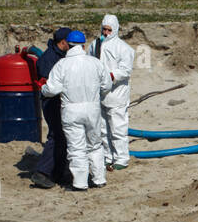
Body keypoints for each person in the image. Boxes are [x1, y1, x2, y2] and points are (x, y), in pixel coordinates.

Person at [39, 29, 107, 191]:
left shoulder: (62, 65)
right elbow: (106, 85)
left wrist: (43, 89)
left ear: (68, 45)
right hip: (93, 109)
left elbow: (52, 89)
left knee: (77, 148)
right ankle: (99, 179)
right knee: (95, 145)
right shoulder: (95, 63)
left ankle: (80, 183)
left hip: (71, 111)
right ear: (83, 46)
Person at [30, 28, 76, 189]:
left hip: (59, 102)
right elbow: (49, 85)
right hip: (52, 103)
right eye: (70, 43)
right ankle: (42, 173)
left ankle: (58, 173)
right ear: (63, 42)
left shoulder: (58, 56)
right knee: (57, 136)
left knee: (63, 137)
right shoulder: (48, 59)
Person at [90, 13, 135, 170]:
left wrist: (110, 75)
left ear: (115, 29)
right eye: (104, 29)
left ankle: (121, 158)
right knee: (102, 129)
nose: (105, 33)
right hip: (99, 94)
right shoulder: (94, 46)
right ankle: (108, 156)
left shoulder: (124, 48)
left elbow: (125, 70)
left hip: (117, 95)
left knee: (118, 128)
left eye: (109, 30)